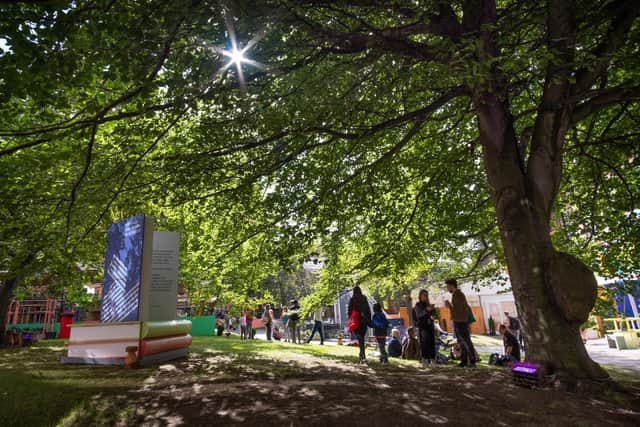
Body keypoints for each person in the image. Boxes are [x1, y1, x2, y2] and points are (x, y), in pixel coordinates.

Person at [444, 278, 477, 368]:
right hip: (458, 320)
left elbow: (459, 310)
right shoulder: (456, 294)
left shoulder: (458, 295)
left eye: (448, 286)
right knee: (462, 342)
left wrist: (449, 306)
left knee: (466, 341)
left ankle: (472, 360)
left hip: (461, 321)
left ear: (451, 285)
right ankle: (464, 361)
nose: (447, 288)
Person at [348, 286, 371, 364]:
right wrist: (369, 320)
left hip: (356, 321)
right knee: (362, 338)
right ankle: (362, 355)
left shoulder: (352, 299)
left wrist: (350, 318)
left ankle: (362, 355)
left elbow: (349, 311)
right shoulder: (364, 298)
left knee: (360, 338)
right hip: (363, 321)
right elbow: (368, 309)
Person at [413, 289, 437, 367]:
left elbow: (433, 315)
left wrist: (433, 312)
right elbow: (419, 315)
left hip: (430, 326)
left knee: (432, 343)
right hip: (423, 327)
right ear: (420, 296)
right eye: (424, 295)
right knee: (424, 344)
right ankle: (425, 361)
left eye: (427, 295)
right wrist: (426, 310)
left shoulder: (428, 304)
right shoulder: (418, 305)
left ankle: (433, 360)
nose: (426, 297)